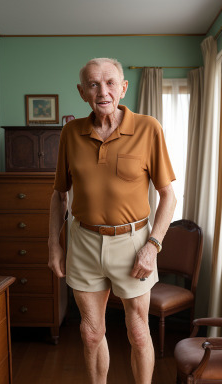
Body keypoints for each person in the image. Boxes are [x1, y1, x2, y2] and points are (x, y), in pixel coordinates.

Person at [48, 57, 176, 384]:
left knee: (137, 330)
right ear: (82, 92)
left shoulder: (148, 128)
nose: (102, 91)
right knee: (91, 333)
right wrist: (54, 246)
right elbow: (59, 195)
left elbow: (168, 196)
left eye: (109, 83)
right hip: (84, 241)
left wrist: (153, 245)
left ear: (123, 87)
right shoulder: (70, 133)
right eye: (93, 84)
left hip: (133, 243)